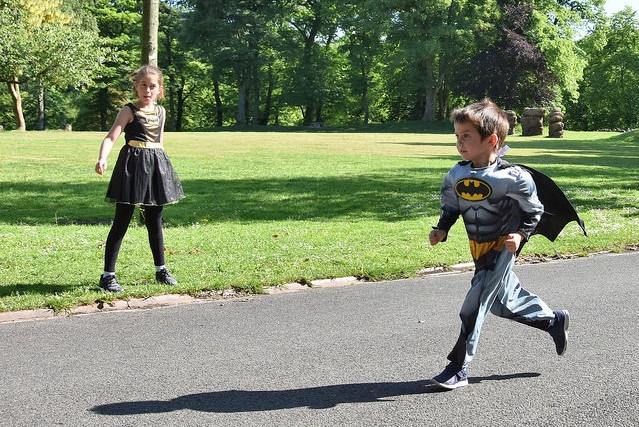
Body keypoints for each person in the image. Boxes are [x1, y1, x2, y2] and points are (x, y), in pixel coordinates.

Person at [428, 99, 574, 390]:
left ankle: (458, 368)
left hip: (500, 248)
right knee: (501, 305)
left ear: (491, 140)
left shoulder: (513, 178)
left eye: (466, 136)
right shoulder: (456, 174)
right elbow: (452, 207)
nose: (459, 142)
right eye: (457, 136)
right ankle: (551, 321)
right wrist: (442, 229)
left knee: (474, 305)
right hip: (478, 250)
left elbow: (534, 211)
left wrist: (520, 235)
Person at [95, 65, 184, 292]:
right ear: (136, 86)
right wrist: (102, 158)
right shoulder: (128, 110)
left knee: (154, 221)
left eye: (152, 86)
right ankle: (108, 276)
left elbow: (159, 143)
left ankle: (161, 270)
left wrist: (163, 171)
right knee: (122, 220)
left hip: (155, 167)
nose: (147, 90)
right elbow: (111, 136)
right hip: (132, 167)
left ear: (159, 89)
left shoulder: (161, 112)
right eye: (143, 85)